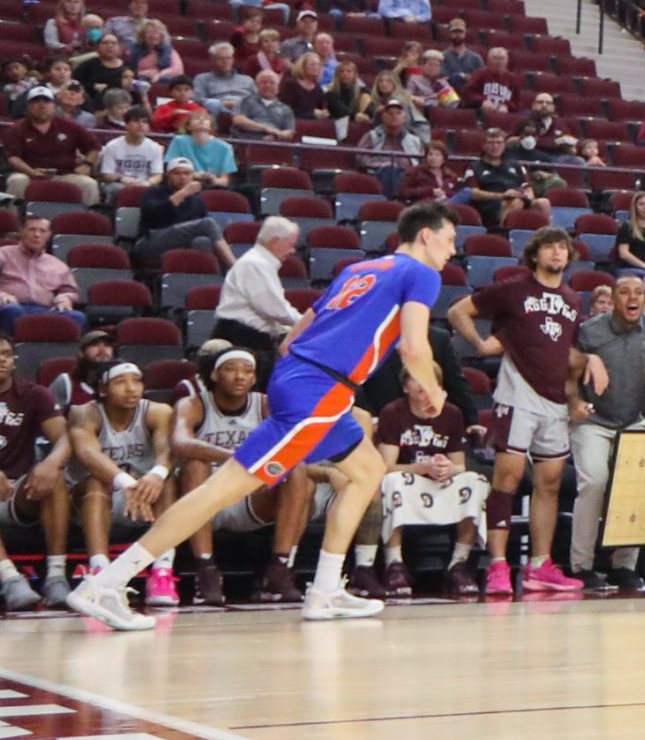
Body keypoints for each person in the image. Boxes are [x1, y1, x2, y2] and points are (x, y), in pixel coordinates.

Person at [67, 202, 463, 628]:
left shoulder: (361, 269)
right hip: (319, 390)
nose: (453, 251)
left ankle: (327, 589)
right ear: (426, 235)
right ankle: (106, 583)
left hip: (315, 384)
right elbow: (414, 348)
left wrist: (306, 372)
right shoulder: (422, 273)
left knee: (366, 472)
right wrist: (434, 390)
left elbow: (298, 330)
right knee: (222, 489)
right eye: (451, 239)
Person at [451, 224, 585, 599]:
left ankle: (540, 565)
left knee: (549, 483)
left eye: (563, 248)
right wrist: (478, 342)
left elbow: (565, 353)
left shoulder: (573, 300)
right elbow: (460, 309)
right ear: (535, 254)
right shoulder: (513, 289)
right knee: (507, 480)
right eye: (550, 247)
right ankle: (497, 565)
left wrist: (579, 388)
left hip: (555, 400)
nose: (558, 253)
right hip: (518, 394)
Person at [168, 342, 315, 605]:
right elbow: (180, 443)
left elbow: (287, 447)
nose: (240, 376)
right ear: (214, 374)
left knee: (296, 470)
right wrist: (235, 457)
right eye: (231, 370)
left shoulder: (266, 405)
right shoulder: (193, 404)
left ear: (255, 377)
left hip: (250, 497)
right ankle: (206, 571)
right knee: (195, 465)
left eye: (247, 371)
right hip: (203, 500)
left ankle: (279, 569)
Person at [568, 269, 645, 595]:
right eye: (624, 292)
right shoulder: (588, 331)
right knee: (594, 481)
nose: (632, 297)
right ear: (612, 299)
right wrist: (573, 401)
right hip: (593, 420)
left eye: (638, 292)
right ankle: (581, 566)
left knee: (641, 482)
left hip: (634, 420)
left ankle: (624, 565)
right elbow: (569, 374)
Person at [356, 373, 485, 600]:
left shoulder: (452, 413)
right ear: (406, 387)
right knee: (392, 482)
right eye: (419, 383)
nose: (426, 390)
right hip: (409, 477)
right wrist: (420, 467)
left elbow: (460, 465)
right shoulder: (393, 412)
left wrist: (448, 468)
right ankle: (394, 564)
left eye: (431, 385)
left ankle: (459, 563)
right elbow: (385, 467)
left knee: (475, 481)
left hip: (439, 481)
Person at [69, 363, 176, 599]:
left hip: (145, 498)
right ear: (103, 389)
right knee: (97, 481)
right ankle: (100, 572)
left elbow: (167, 451)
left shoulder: (158, 411)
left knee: (166, 481)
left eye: (137, 381)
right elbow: (88, 454)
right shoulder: (84, 412)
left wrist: (157, 473)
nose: (131, 388)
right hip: (95, 499)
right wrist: (127, 483)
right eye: (121, 382)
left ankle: (162, 571)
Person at [0, 333, 74, 609]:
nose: (1, 360)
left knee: (54, 479)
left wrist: (51, 463)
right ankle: (10, 579)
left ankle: (56, 577)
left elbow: (65, 439)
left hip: (16, 490)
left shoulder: (33, 394)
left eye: (6, 354)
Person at [216, 216, 301, 373]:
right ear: (274, 241)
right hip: (243, 338)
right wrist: (305, 324)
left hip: (250, 338)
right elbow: (274, 309)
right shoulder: (256, 264)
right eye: (291, 245)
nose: (292, 251)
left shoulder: (260, 263)